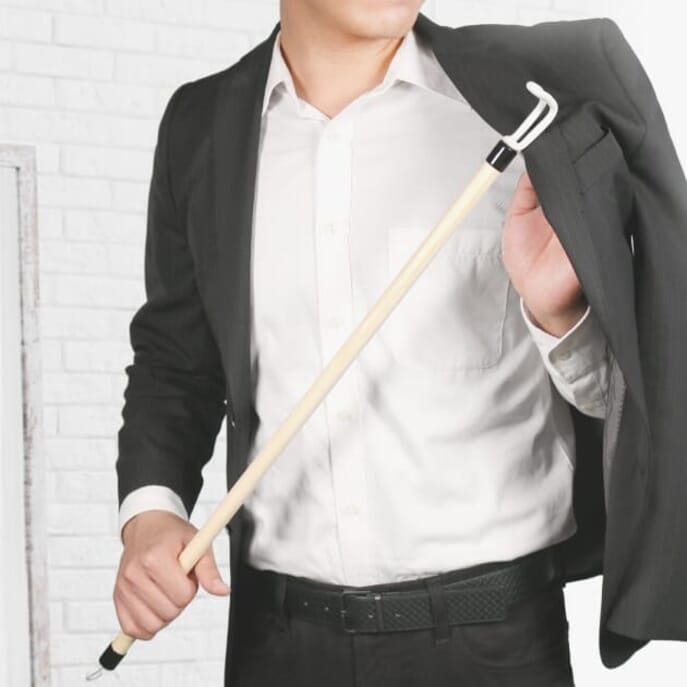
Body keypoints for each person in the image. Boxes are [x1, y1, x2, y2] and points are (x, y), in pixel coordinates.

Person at [113, 1, 687, 685]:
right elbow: (177, 360)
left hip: (493, 647)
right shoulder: (199, 125)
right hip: (277, 644)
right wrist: (150, 512)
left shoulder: (522, 110)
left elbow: (635, 392)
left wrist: (558, 315)